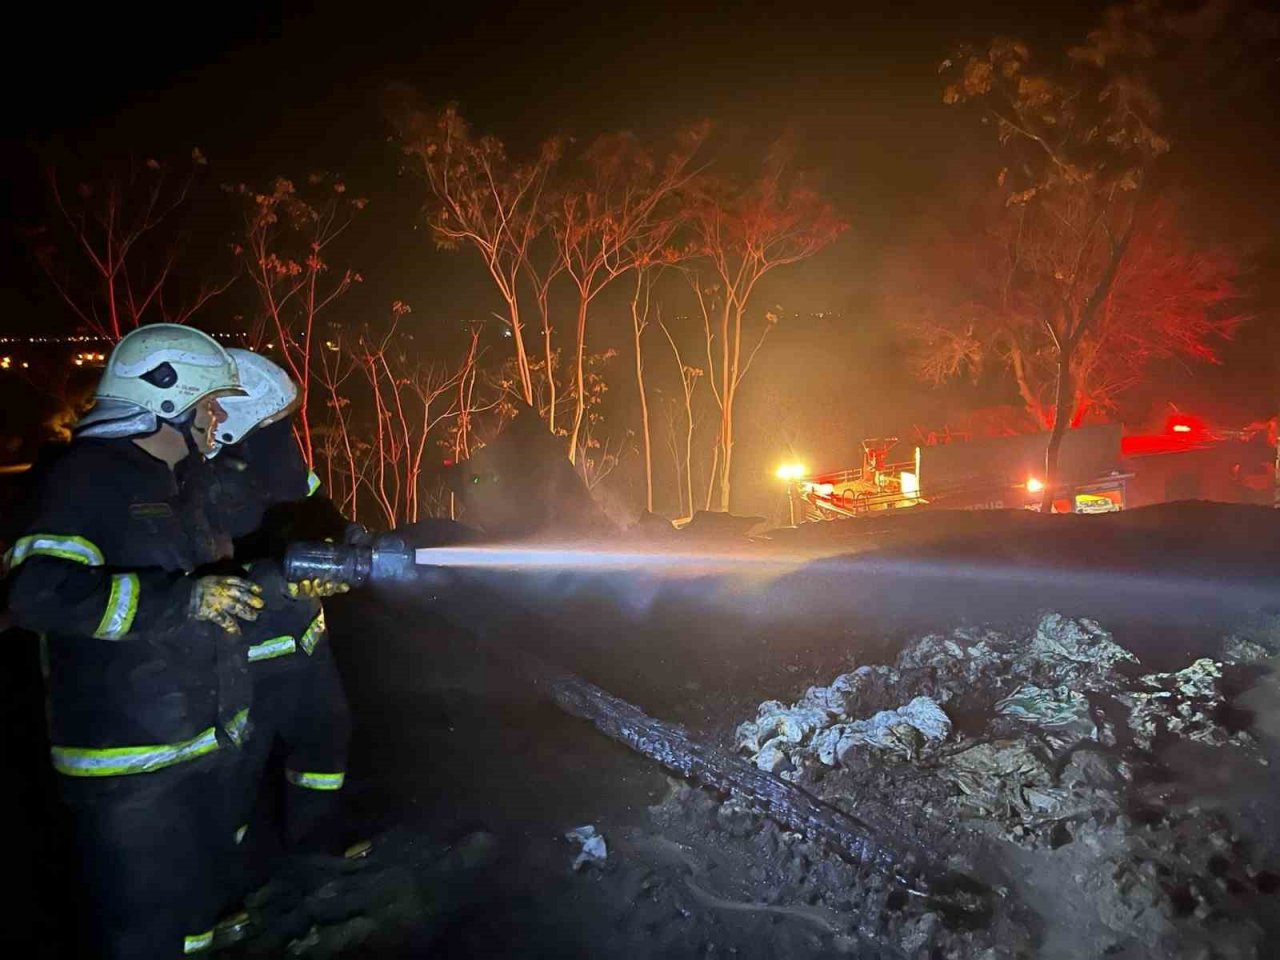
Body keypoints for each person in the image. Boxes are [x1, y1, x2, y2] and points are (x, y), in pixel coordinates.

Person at [5, 324, 266, 959]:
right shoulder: (85, 481)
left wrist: (281, 588)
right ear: (166, 400)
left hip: (204, 740)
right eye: (210, 403)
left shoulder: (184, 484)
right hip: (127, 762)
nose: (218, 417)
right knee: (143, 926)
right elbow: (36, 593)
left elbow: (209, 584)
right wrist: (181, 602)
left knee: (198, 905)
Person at [198, 348, 355, 869]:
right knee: (234, 773)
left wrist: (349, 540)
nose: (283, 435)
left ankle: (315, 853)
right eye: (272, 424)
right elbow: (206, 577)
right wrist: (279, 578)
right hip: (242, 660)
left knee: (325, 740)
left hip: (306, 644)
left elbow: (316, 510)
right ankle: (224, 892)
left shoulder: (278, 465)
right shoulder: (197, 486)